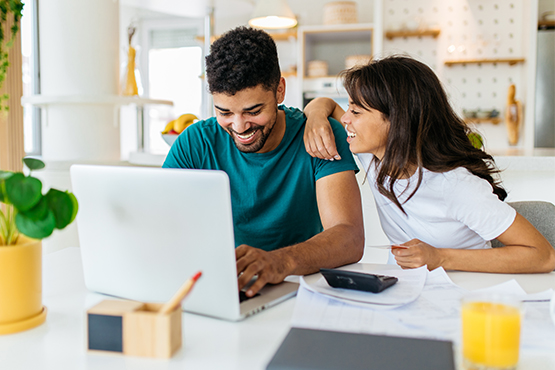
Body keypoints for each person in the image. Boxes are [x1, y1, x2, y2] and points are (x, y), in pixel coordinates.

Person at [303, 55, 555, 273]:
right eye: (349, 108)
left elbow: (542, 256)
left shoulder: (454, 184)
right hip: (408, 291)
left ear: (398, 121)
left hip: (463, 293)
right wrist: (314, 114)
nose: (345, 119)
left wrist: (440, 257)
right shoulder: (374, 156)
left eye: (356, 112)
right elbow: (325, 104)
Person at [163, 26, 364, 297]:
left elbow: (349, 237)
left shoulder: (320, 135)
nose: (239, 126)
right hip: (219, 288)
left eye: (253, 111)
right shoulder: (195, 143)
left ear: (279, 91)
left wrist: (278, 262)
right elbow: (162, 224)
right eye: (224, 112)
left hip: (299, 289)